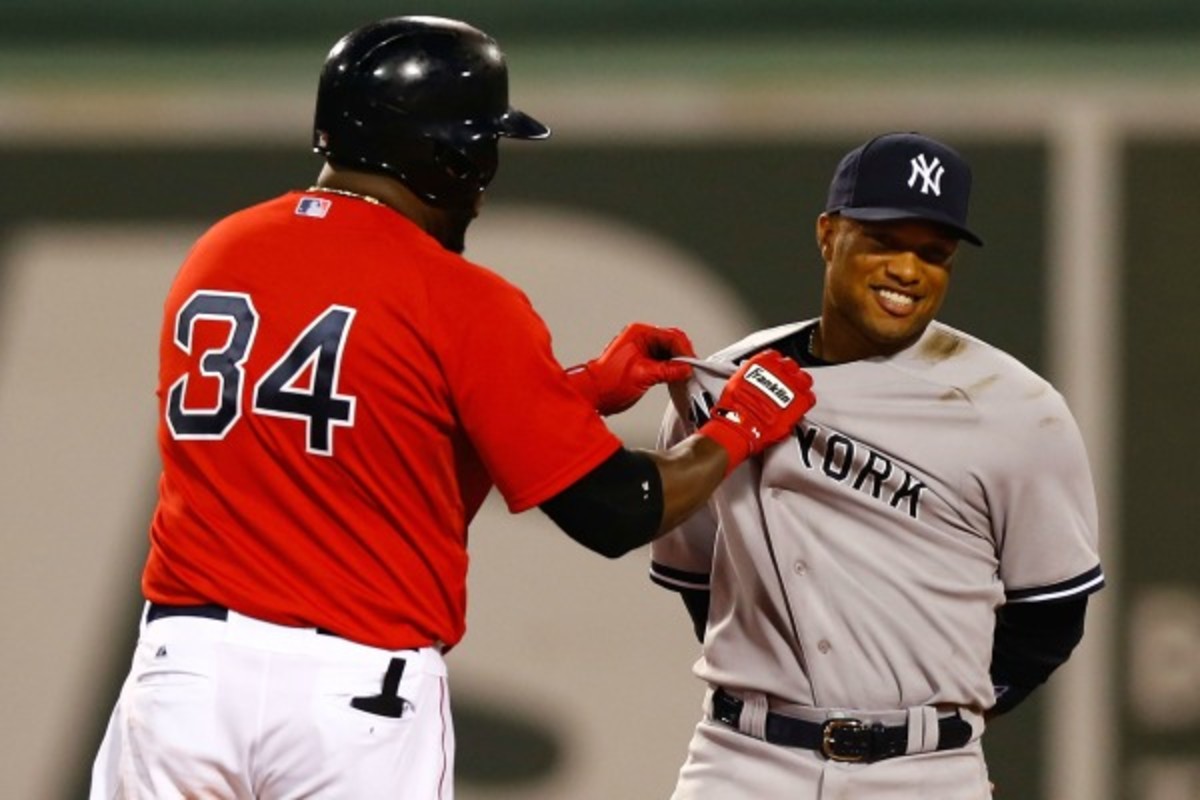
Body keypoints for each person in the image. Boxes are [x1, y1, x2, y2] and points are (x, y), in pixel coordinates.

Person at [88, 16, 817, 800]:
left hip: (184, 680)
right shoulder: (460, 297)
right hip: (352, 699)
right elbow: (615, 511)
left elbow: (368, 430)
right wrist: (735, 428)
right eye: (484, 145)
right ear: (449, 155)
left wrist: (576, 393)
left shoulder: (222, 251)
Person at [649, 132, 1105, 799]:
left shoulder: (1015, 408)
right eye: (885, 241)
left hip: (922, 772)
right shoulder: (725, 383)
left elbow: (1049, 618)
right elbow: (697, 577)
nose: (908, 271)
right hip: (741, 763)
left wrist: (928, 726)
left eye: (933, 253)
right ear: (829, 234)